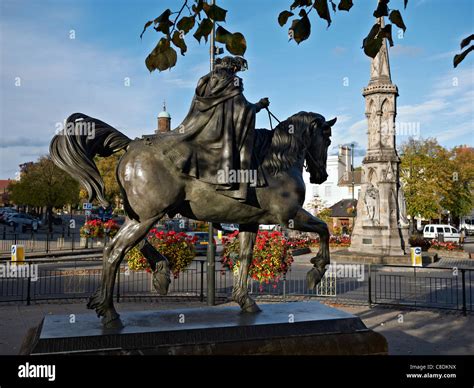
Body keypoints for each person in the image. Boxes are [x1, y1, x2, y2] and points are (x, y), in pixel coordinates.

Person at [162, 56, 270, 201]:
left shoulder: (206, 80)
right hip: (223, 135)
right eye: (237, 70)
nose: (237, 73)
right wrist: (259, 105)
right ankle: (234, 185)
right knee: (245, 148)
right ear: (233, 68)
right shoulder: (232, 81)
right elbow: (242, 109)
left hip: (204, 131)